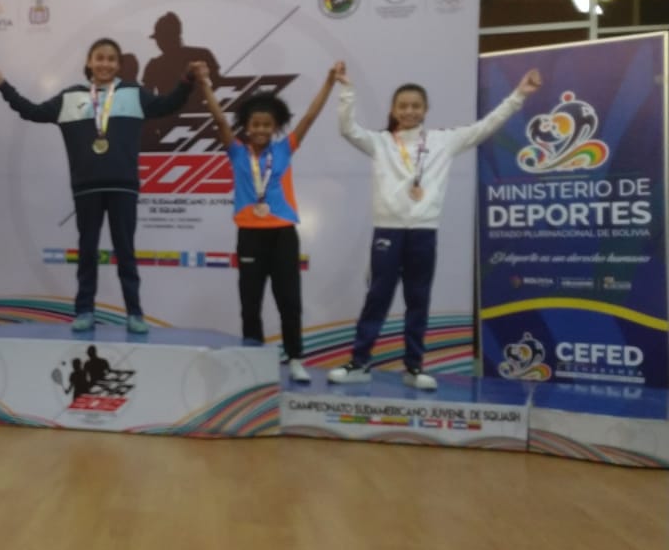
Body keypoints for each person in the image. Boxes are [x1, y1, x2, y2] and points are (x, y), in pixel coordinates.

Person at [328, 65, 543, 390]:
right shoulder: (380, 142)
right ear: (393, 110)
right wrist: (347, 90)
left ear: (426, 109)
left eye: (416, 106)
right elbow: (347, 129)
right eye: (403, 106)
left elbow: (485, 127)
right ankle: (359, 363)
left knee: (418, 299)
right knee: (377, 298)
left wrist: (519, 95)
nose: (409, 111)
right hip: (388, 231)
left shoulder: (443, 141)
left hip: (423, 232)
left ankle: (414, 368)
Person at [0, 37, 196, 334]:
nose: (105, 64)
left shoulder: (133, 93)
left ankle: (134, 313)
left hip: (124, 186)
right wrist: (3, 86)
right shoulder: (70, 97)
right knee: (87, 251)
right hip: (86, 187)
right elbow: (31, 111)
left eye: (111, 59)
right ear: (89, 62)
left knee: (126, 251)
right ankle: (84, 310)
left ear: (119, 65)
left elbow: (168, 105)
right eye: (99, 58)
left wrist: (186, 80)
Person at [196, 59, 339, 383]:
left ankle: (296, 357)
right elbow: (218, 118)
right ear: (246, 127)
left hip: (283, 234)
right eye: (255, 124)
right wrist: (205, 84)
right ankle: (253, 360)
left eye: (267, 125)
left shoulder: (285, 149)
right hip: (249, 235)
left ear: (275, 128)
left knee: (289, 300)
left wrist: (329, 83)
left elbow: (310, 117)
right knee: (250, 302)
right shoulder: (236, 151)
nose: (260, 130)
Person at [141, 11, 221, 150]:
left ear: (174, 36)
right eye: (158, 39)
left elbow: (219, 86)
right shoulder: (154, 64)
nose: (159, 43)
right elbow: (147, 101)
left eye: (162, 38)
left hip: (203, 121)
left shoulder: (201, 55)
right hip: (168, 124)